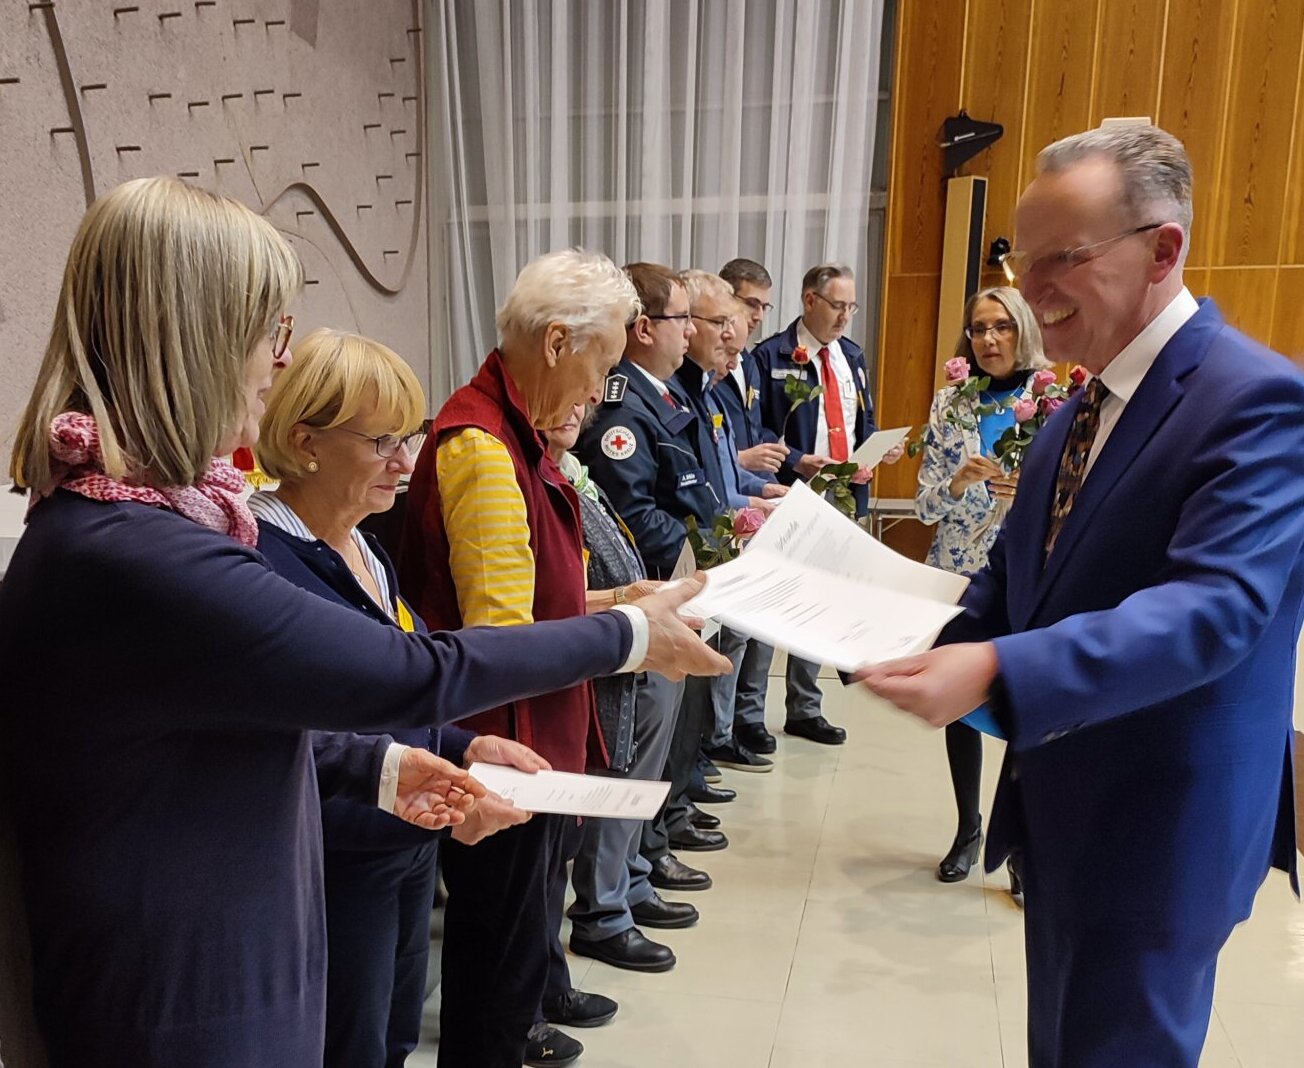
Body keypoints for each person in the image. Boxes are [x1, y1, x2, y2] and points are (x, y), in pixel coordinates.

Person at [0, 177, 724, 1068]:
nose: (277, 362)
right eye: (270, 332)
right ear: (196, 340)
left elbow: (220, 735)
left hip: (222, 962)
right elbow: (406, 669)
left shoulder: (150, 526)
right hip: (183, 999)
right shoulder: (133, 550)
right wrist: (631, 635)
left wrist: (383, 767)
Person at [862, 125, 1304, 1067]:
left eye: (1062, 258)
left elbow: (1213, 609)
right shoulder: (1076, 413)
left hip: (1161, 827)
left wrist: (996, 667)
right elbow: (1015, 582)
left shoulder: (1255, 400)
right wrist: (866, 615)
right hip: (1065, 810)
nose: (1031, 290)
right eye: (1022, 262)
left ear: (1163, 248)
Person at [399, 250, 730, 1068]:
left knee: (515, 965)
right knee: (496, 981)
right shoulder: (481, 446)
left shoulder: (516, 432)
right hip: (501, 754)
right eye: (601, 365)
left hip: (529, 741)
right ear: (555, 342)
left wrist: (622, 598)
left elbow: (531, 601)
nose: (598, 390)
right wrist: (631, 635)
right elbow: (501, 643)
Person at [251, 328, 549, 1068]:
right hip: (338, 853)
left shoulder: (363, 545)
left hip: (405, 838)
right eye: (383, 441)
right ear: (305, 441)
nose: (407, 463)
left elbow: (398, 686)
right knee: (346, 1045)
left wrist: (464, 745)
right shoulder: (262, 560)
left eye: (409, 437)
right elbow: (298, 732)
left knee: (393, 1038)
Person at [576, 263, 725, 894]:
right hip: (648, 595)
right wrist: (706, 550)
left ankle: (636, 870)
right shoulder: (622, 405)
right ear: (642, 328)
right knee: (632, 754)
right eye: (682, 318)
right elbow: (633, 513)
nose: (690, 331)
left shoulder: (665, 395)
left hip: (671, 592)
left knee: (665, 742)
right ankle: (613, 894)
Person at [543, 403, 700, 974]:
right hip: (603, 649)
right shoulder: (532, 473)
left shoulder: (572, 469)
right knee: (616, 774)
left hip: (634, 639)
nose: (575, 408)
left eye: (582, 397)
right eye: (564, 394)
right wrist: (624, 599)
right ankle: (603, 912)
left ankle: (629, 883)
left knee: (642, 772)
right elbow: (548, 595)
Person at [913, 287, 1047, 889]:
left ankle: (1019, 842)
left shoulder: (1054, 397)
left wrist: (1032, 493)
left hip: (1029, 572)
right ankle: (968, 828)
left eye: (1002, 327)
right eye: (978, 329)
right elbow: (923, 505)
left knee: (1028, 705)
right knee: (962, 706)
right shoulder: (952, 402)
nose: (989, 339)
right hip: (960, 571)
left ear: (1023, 329)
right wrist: (958, 484)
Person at [753, 263, 903, 746]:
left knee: (819, 602)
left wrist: (877, 449)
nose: (844, 317)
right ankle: (750, 715)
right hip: (787, 493)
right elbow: (755, 429)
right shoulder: (770, 355)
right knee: (772, 602)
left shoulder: (852, 356)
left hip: (841, 494)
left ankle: (805, 707)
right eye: (837, 306)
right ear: (810, 301)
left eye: (851, 307)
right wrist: (797, 460)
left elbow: (864, 420)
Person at [716, 259, 788, 758]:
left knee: (758, 623)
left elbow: (748, 431)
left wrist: (765, 483)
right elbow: (716, 451)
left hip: (749, 493)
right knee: (730, 635)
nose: (759, 315)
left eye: (765, 305)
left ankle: (746, 718)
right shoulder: (709, 365)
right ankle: (720, 733)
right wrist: (745, 468)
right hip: (726, 510)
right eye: (750, 304)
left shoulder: (749, 362)